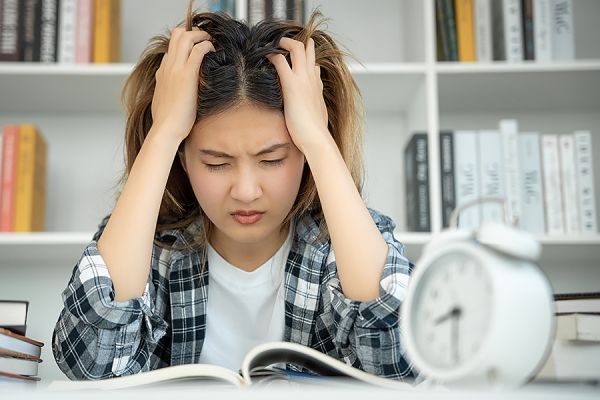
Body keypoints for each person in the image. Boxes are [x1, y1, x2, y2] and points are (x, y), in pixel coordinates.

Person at [52, 3, 415, 381]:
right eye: (216, 163)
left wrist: (320, 141)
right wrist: (162, 135)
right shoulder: (151, 248)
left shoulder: (346, 245)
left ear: (304, 155)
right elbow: (90, 365)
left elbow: (400, 363)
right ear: (183, 159)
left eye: (272, 159)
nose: (245, 191)